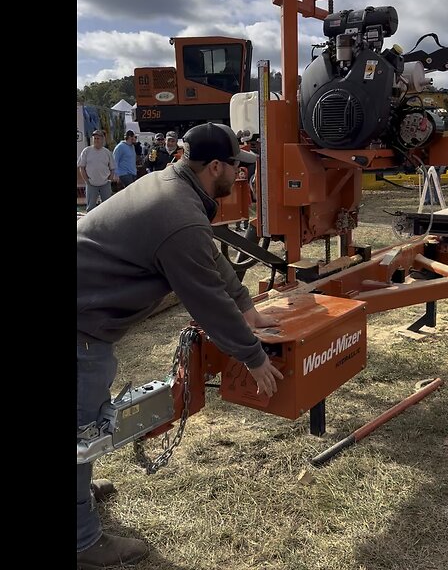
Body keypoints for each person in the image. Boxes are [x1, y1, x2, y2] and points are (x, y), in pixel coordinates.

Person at [76, 122, 284, 568]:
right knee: (79, 430)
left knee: (84, 420)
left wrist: (246, 303)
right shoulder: (177, 212)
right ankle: (82, 541)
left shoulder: (175, 187)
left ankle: (78, 492)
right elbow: (204, 296)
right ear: (214, 167)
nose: (240, 174)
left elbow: (206, 254)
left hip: (86, 317)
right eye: (236, 166)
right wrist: (253, 356)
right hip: (81, 327)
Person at [78, 129, 116, 212]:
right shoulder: (86, 151)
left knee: (107, 206)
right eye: (94, 138)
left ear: (102, 140)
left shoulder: (107, 152)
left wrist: (109, 180)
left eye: (98, 138)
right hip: (91, 183)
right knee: (90, 207)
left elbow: (112, 168)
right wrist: (87, 180)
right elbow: (81, 167)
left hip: (105, 183)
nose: (96, 140)